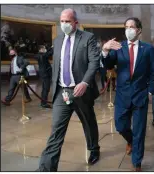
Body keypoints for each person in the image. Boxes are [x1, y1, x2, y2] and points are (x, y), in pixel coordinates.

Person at [36, 8, 100, 172]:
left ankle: (94, 148)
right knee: (56, 130)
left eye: (67, 21)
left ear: (75, 23)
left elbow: (94, 62)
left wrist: (85, 82)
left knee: (88, 122)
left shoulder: (88, 38)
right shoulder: (57, 41)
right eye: (62, 21)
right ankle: (46, 168)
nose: (64, 24)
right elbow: (57, 65)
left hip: (81, 91)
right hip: (61, 92)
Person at [102, 17, 154, 171]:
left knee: (140, 130)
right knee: (120, 125)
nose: (128, 30)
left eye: (132, 27)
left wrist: (150, 91)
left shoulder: (148, 49)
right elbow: (108, 65)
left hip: (141, 95)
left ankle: (137, 161)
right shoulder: (118, 47)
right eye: (126, 27)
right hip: (122, 95)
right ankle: (131, 140)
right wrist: (105, 51)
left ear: (139, 30)